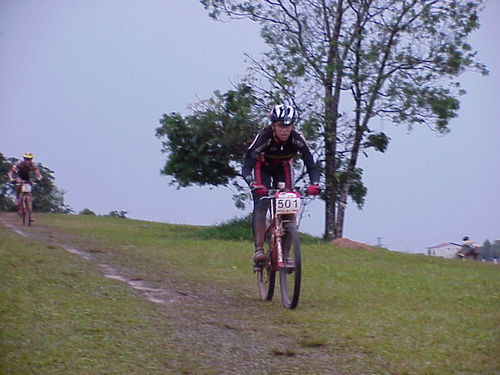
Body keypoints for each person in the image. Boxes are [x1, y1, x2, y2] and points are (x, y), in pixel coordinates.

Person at [242, 103, 320, 266]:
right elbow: (247, 166)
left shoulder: (297, 139)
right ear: (273, 125)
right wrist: (252, 183)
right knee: (262, 203)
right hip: (261, 167)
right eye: (280, 126)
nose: (284, 130)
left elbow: (311, 164)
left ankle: (285, 254)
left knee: (289, 209)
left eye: (288, 126)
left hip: (282, 167)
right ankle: (259, 250)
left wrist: (315, 184)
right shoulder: (264, 137)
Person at [7, 152, 42, 219]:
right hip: (18, 174)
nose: (28, 161)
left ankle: (30, 215)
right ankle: (17, 198)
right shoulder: (19, 163)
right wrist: (11, 179)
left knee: (28, 194)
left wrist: (38, 179)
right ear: (24, 159)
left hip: (26, 176)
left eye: (29, 159)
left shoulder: (33, 165)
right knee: (19, 183)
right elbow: (10, 172)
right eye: (26, 159)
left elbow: (38, 173)